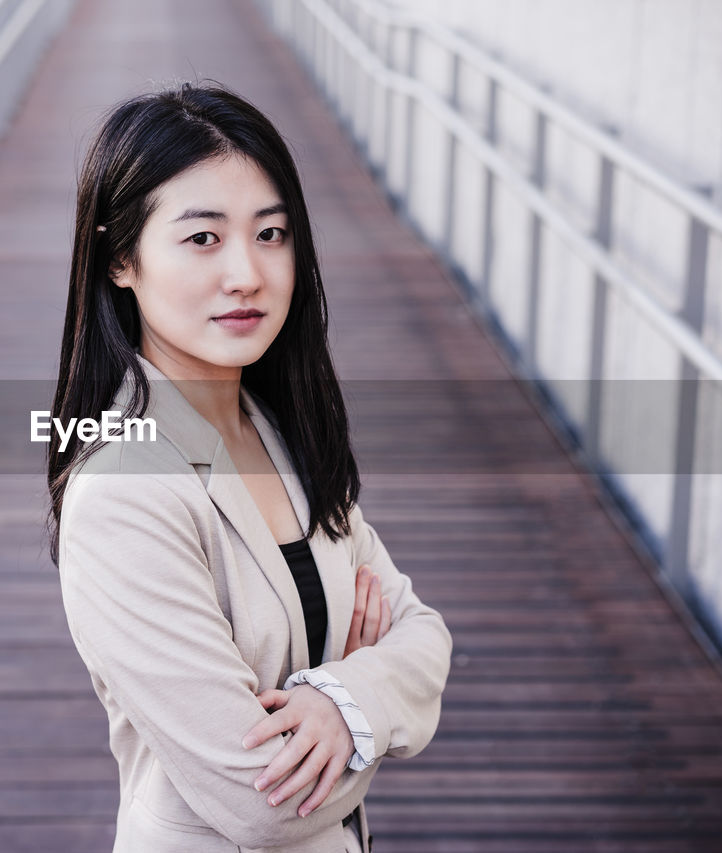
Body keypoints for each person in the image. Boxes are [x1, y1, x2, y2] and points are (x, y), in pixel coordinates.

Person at [46, 80, 452, 853]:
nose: (248, 273)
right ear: (120, 258)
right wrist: (375, 702)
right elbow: (261, 799)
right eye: (203, 238)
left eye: (271, 234)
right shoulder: (123, 493)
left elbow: (426, 635)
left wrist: (347, 698)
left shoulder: (281, 428)